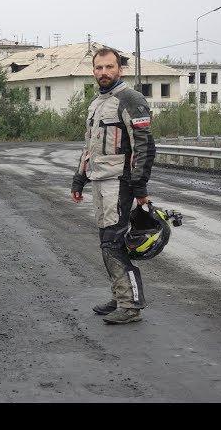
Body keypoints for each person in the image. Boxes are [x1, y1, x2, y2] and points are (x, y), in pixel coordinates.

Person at [71, 48, 156, 324]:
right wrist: (79, 178)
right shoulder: (96, 103)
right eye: (99, 68)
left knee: (113, 243)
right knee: (107, 243)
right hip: (99, 181)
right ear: (93, 71)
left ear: (120, 69)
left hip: (119, 183)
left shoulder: (131, 99)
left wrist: (140, 189)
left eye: (109, 67)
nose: (104, 72)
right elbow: (90, 146)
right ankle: (120, 296)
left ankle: (130, 306)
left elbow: (145, 147)